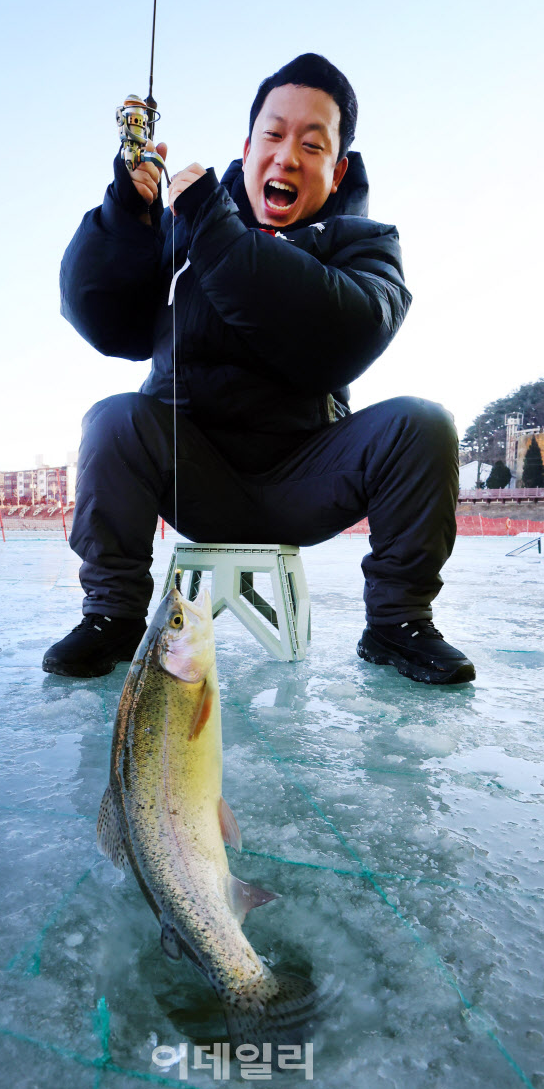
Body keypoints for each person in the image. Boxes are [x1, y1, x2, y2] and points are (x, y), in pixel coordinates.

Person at [43, 53, 475, 686]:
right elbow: (104, 322)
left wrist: (212, 233)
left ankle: (398, 624)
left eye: (312, 144)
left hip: (309, 480)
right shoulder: (181, 229)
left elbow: (343, 333)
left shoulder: (365, 243)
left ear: (338, 169)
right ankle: (111, 618)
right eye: (273, 135)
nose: (287, 156)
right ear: (246, 149)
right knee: (115, 418)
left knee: (423, 424)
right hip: (191, 473)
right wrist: (125, 217)